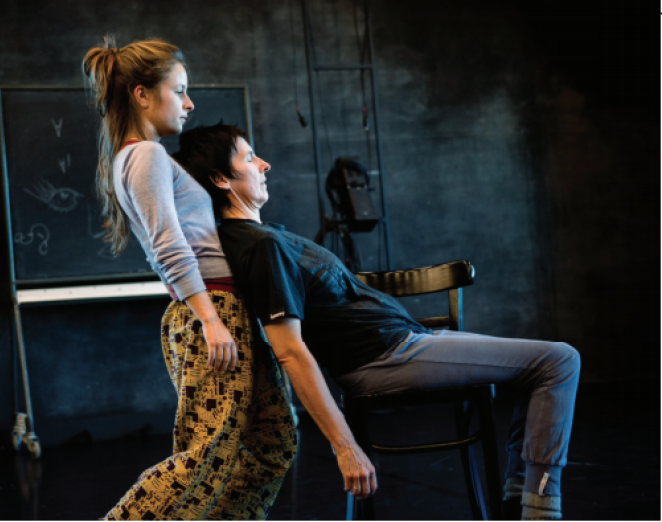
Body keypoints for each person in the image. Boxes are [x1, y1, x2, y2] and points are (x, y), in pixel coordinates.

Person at [173, 123, 581, 521]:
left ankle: (521, 500)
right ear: (220, 178)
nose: (265, 165)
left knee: (542, 365)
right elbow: (291, 352)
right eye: (249, 157)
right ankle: (542, 507)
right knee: (559, 361)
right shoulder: (260, 248)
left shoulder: (265, 237)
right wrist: (344, 446)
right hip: (387, 357)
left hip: (405, 342)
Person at [82, 39, 296, 521]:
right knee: (208, 453)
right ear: (142, 94)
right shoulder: (147, 157)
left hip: (225, 309)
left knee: (272, 440)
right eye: (179, 91)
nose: (189, 103)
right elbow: (168, 243)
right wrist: (209, 319)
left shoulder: (139, 157)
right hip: (212, 311)